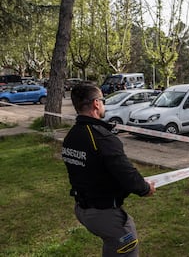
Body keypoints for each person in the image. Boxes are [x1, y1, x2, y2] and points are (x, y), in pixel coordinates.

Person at [62, 83, 156, 256]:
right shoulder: (101, 137)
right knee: (127, 244)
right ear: (96, 103)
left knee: (113, 246)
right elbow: (126, 172)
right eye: (103, 101)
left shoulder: (72, 135)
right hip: (102, 212)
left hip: (82, 208)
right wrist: (145, 188)